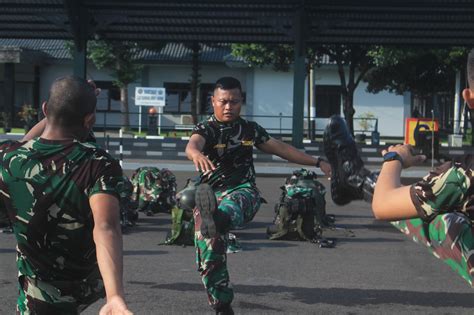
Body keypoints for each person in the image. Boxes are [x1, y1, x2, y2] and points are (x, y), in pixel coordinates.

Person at [323, 49, 474, 286]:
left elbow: (383, 207)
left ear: (468, 97)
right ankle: (356, 179)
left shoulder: (463, 177)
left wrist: (395, 158)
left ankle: (357, 179)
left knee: (442, 217)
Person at [185, 76, 332, 314]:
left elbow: (282, 149)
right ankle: (221, 304)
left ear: (241, 101)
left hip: (242, 191)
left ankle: (219, 218)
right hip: (210, 195)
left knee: (235, 203)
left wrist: (318, 162)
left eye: (234, 101)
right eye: (223, 101)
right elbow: (193, 144)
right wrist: (195, 155)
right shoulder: (205, 129)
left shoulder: (249, 129)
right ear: (212, 101)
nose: (228, 107)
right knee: (209, 255)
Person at [0, 76, 132, 314]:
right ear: (89, 119)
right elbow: (106, 226)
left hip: (37, 289)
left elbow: (26, 143)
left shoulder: (9, 158)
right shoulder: (98, 163)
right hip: (82, 283)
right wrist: (115, 296)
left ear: (44, 109)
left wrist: (62, 103)